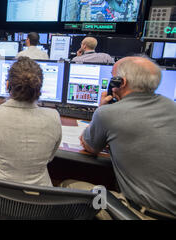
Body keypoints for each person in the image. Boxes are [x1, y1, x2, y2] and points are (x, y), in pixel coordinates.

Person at [61, 57, 176, 220]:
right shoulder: (172, 106)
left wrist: (101, 109)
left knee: (68, 186)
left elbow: (90, 146)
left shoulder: (109, 113)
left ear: (120, 82)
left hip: (143, 213)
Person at [0, 57, 62, 186]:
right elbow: (49, 158)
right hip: (39, 199)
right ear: (40, 88)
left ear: (7, 85)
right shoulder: (54, 117)